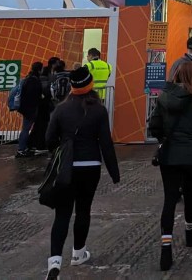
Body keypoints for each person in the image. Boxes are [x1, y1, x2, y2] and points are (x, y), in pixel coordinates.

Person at [44, 65, 120, 280]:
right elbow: (106, 143)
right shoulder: (99, 110)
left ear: (72, 86)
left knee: (62, 214)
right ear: (90, 84)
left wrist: (61, 151)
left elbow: (49, 139)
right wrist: (114, 172)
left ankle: (54, 263)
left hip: (67, 167)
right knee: (83, 210)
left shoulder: (61, 109)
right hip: (91, 166)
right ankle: (78, 253)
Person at [148, 60, 192, 271]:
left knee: (170, 198)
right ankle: (190, 231)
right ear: (189, 76)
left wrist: (163, 139)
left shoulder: (164, 96)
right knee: (190, 193)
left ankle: (166, 248)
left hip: (170, 155)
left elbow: (154, 124)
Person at [16, 61, 44, 158]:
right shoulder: (33, 80)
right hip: (30, 108)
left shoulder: (29, 78)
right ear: (39, 70)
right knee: (26, 129)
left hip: (27, 108)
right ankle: (21, 149)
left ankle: (24, 147)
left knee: (26, 128)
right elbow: (33, 95)